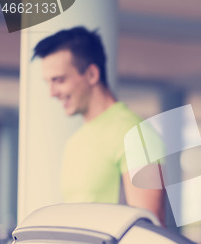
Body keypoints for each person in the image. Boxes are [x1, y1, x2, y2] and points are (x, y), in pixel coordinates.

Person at [33, 27, 165, 226]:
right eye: (48, 83)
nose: (52, 92)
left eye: (59, 80)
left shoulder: (136, 134)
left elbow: (149, 229)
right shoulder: (75, 140)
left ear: (92, 74)